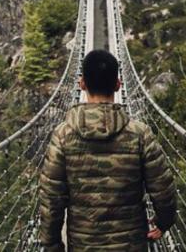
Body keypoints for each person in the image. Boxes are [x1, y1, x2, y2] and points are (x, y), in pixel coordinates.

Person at [39, 50, 177, 251]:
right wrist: (164, 223)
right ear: (117, 85)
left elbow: (51, 200)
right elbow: (163, 189)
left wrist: (52, 245)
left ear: (82, 84)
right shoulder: (140, 134)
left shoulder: (62, 135)